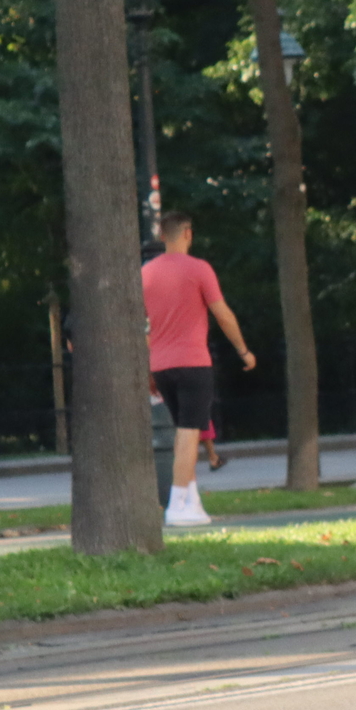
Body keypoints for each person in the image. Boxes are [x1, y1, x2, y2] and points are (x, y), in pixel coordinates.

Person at [141, 211, 256, 525]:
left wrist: (148, 370)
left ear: (162, 236)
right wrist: (243, 350)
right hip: (193, 363)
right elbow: (223, 314)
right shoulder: (199, 269)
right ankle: (177, 503)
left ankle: (192, 502)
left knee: (183, 433)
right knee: (190, 433)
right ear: (188, 234)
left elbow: (144, 327)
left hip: (161, 366)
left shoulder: (145, 274)